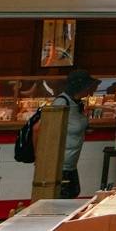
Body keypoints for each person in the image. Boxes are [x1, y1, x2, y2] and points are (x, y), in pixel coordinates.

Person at [49, 68, 95, 198]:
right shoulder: (61, 103)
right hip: (60, 163)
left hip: (70, 162)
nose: (90, 90)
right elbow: (42, 129)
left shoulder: (77, 104)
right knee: (64, 196)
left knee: (73, 191)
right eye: (88, 86)